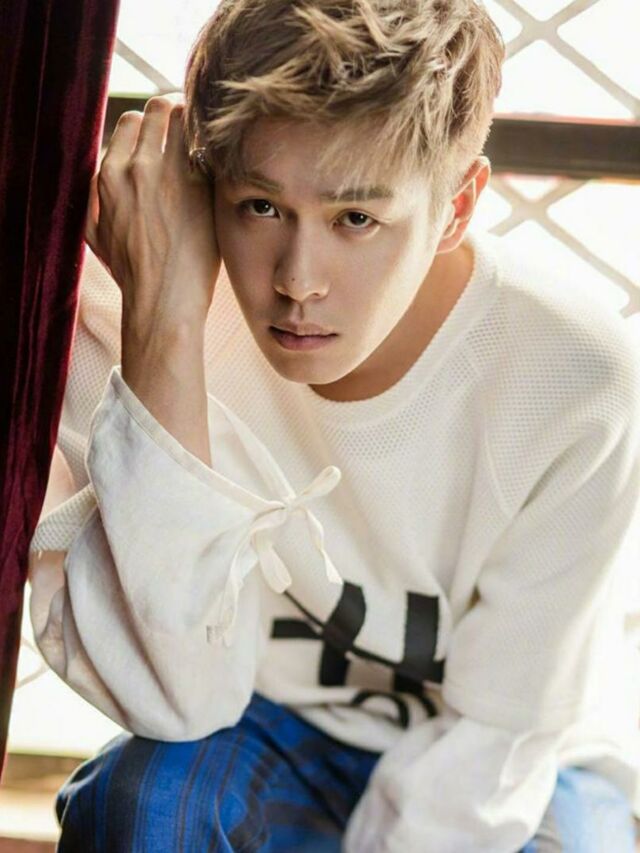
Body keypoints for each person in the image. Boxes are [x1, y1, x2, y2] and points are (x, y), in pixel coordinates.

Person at [28, 0, 640, 850]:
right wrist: (166, 328)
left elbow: (501, 734)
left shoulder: (572, 376)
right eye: (260, 206)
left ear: (458, 206)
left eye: (356, 219)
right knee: (137, 808)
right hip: (261, 722)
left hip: (509, 755)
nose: (298, 281)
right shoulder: (134, 302)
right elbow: (176, 696)